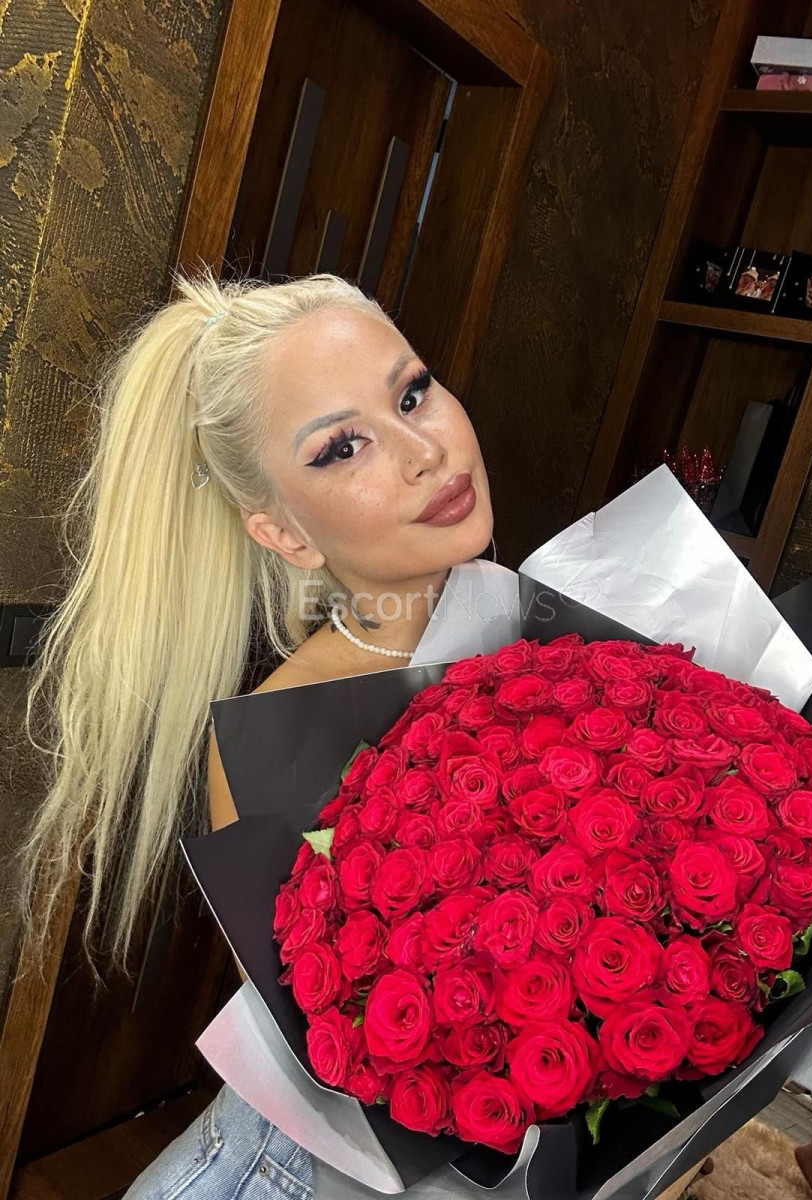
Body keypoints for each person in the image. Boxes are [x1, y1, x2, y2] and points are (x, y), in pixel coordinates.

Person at [15, 266, 496, 1196]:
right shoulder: (278, 738)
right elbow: (331, 1049)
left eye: (412, 393)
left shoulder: (567, 641)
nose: (423, 450)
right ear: (286, 537)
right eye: (342, 447)